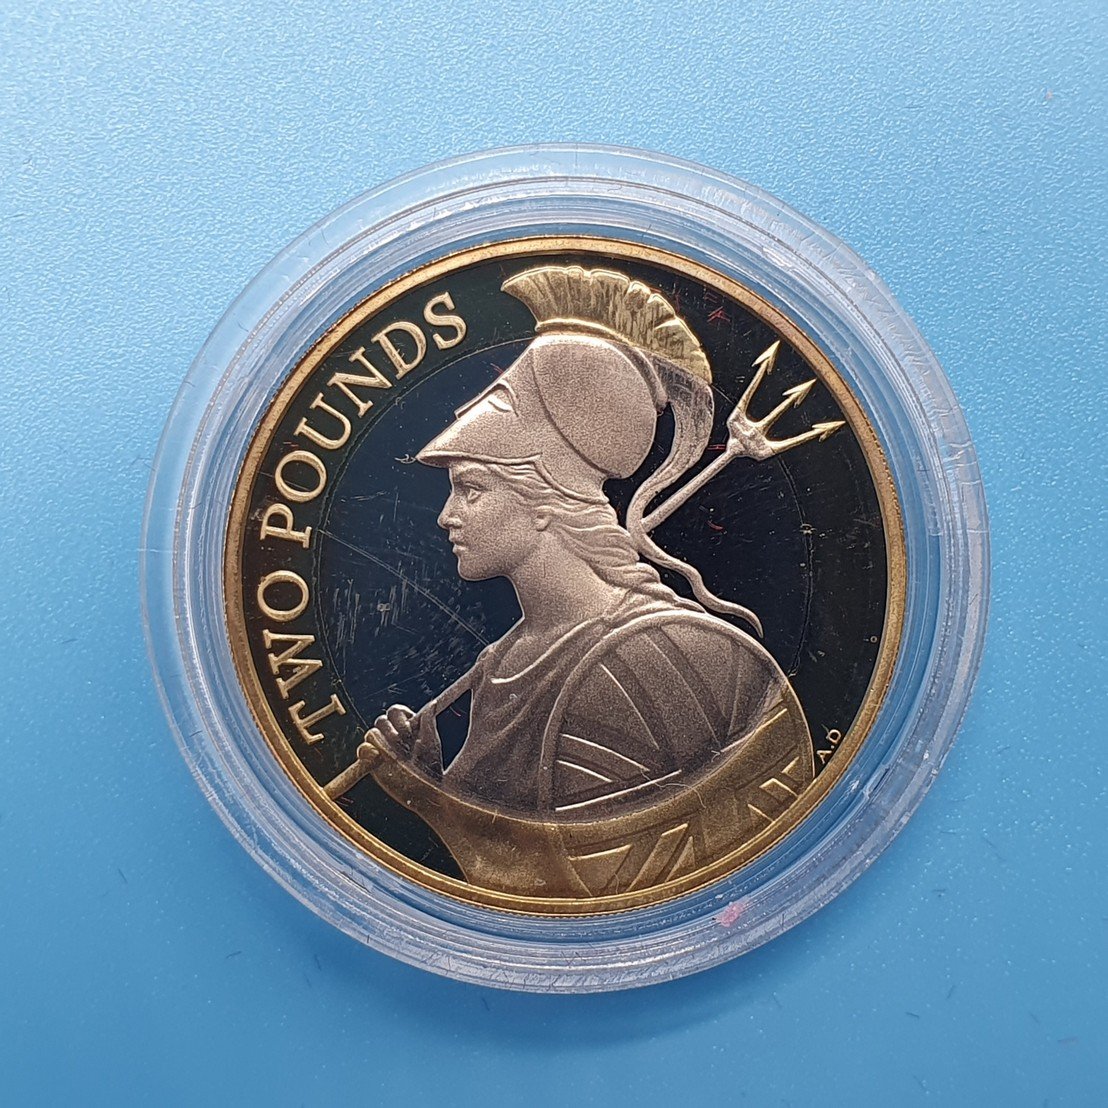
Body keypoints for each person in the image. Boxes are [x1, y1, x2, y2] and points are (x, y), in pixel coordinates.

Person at [362, 266, 813, 832]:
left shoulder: (668, 654)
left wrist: (425, 798)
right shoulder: (500, 663)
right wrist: (430, 782)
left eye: (471, 490)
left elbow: (602, 868)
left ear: (545, 500)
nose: (446, 515)